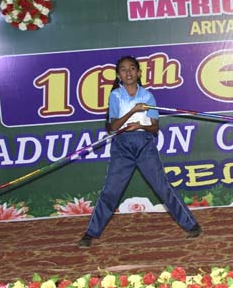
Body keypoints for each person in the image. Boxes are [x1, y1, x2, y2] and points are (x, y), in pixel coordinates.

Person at [78, 55, 202, 248]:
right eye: (123, 69)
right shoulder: (116, 96)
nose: (128, 72)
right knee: (110, 191)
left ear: (138, 73)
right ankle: (90, 233)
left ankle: (192, 225)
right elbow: (113, 126)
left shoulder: (147, 96)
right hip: (122, 147)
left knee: (162, 187)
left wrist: (141, 126)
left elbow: (155, 128)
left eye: (132, 69)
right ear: (118, 75)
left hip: (145, 146)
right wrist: (132, 112)